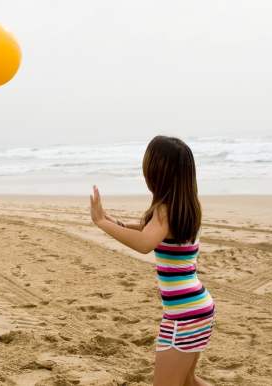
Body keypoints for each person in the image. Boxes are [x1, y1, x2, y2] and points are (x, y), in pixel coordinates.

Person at [90, 136, 215, 386]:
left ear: (156, 172)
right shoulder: (186, 206)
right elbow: (149, 232)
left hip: (184, 314)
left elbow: (145, 243)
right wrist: (116, 222)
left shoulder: (164, 210)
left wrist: (101, 223)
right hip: (196, 308)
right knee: (188, 381)